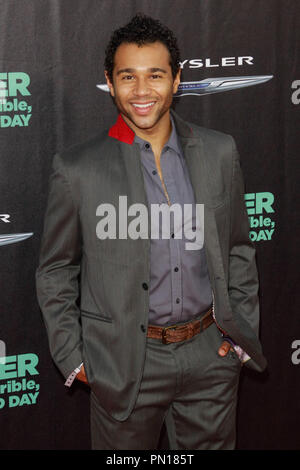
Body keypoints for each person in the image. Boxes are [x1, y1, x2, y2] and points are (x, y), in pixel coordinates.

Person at [36, 13, 267, 450]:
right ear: (110, 81)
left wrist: (237, 338)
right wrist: (75, 357)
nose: (142, 91)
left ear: (177, 80)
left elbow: (238, 249)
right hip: (123, 364)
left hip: (209, 358)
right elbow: (55, 271)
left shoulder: (220, 152)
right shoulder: (78, 170)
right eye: (128, 76)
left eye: (155, 75)